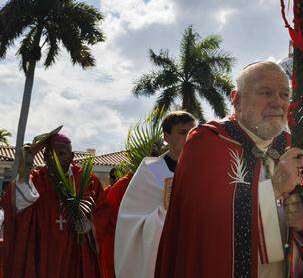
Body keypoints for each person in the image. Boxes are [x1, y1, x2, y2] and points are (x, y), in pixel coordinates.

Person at [154, 61, 303, 277]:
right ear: (237, 100)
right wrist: (275, 188)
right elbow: (203, 229)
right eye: (266, 92)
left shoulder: (292, 148)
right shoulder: (206, 143)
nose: (278, 102)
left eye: (284, 95)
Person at [1, 132, 108, 277]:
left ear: (72, 156)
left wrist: (90, 226)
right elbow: (17, 204)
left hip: (75, 254)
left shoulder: (87, 181)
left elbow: (104, 212)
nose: (56, 159)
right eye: (51, 155)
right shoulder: (37, 179)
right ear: (44, 157)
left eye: (62, 154)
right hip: (44, 251)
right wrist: (25, 165)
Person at [114, 111, 196, 278]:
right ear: (166, 137)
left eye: (192, 132)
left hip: (193, 253)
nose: (188, 137)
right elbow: (130, 222)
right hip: (161, 256)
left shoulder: (202, 172)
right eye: (182, 133)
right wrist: (164, 213)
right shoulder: (151, 172)